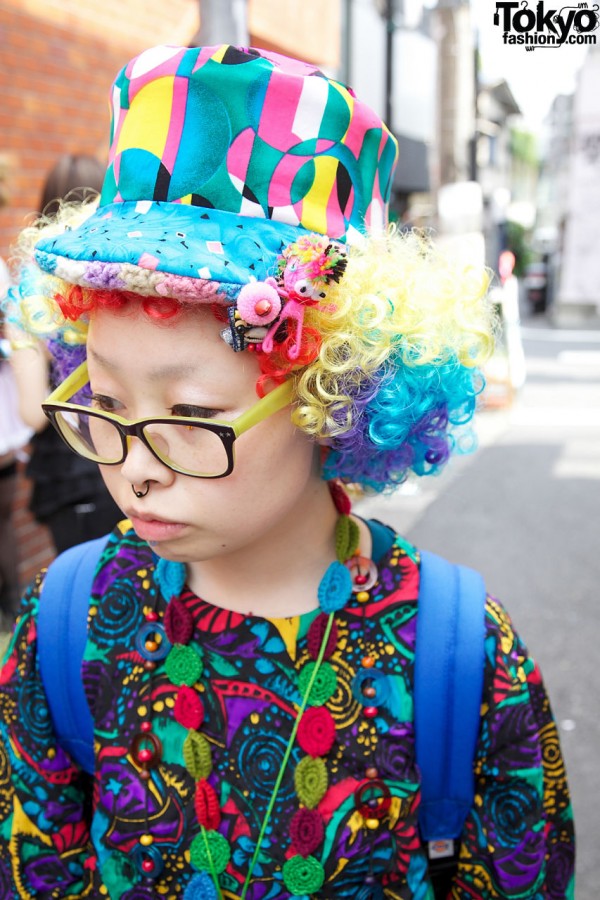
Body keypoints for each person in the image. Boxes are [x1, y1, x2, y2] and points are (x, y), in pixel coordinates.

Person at [0, 44, 574, 899]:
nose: (136, 471)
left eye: (193, 417)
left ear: (333, 396)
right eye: (107, 402)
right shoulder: (69, 621)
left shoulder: (456, 651)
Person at [6, 154, 122, 553]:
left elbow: (32, 414)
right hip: (141, 454)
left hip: (73, 467)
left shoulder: (29, 296)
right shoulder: (133, 282)